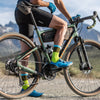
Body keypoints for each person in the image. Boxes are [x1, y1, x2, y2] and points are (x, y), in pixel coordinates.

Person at [15, 0, 73, 97]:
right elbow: (35, 1)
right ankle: (55, 58)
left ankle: (26, 88)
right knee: (62, 25)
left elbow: (58, 2)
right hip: (28, 9)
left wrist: (70, 18)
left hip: (20, 12)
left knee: (26, 54)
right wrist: (48, 4)